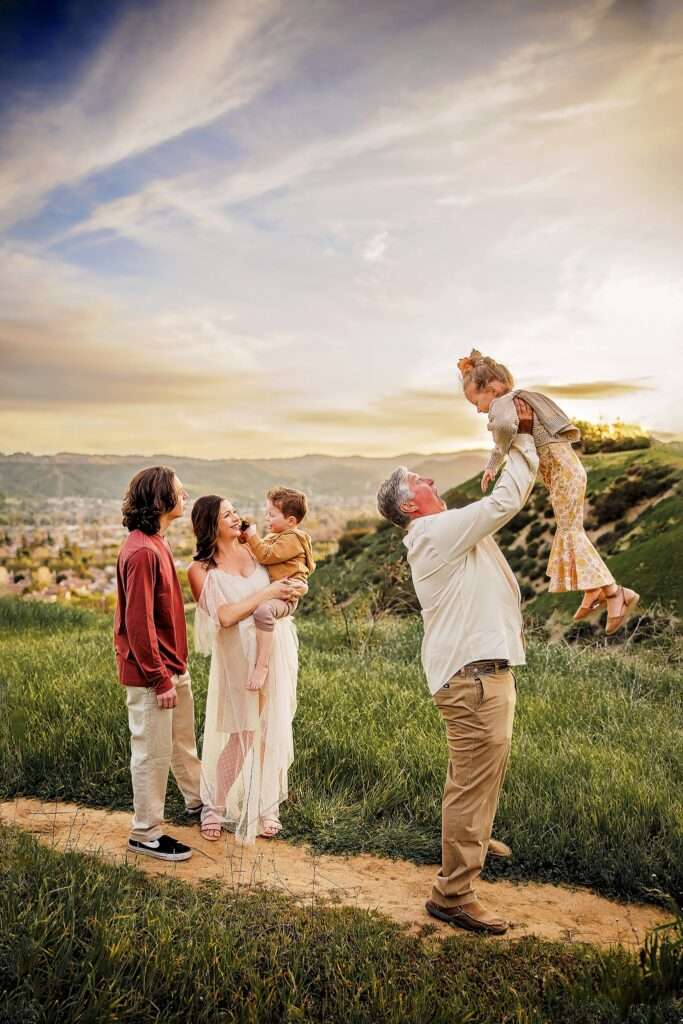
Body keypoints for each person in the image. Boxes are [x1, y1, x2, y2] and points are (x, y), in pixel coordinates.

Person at [376, 399, 537, 935]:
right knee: (470, 785)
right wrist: (524, 440)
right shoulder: (430, 533)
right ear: (410, 505)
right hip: (473, 680)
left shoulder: (440, 531)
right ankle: (453, 893)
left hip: (480, 675)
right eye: (417, 479)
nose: (428, 478)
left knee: (476, 781)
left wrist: (500, 452)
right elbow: (506, 500)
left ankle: (471, 835)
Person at [458, 349, 639, 633]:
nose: (478, 409)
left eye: (476, 401)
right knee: (570, 530)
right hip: (567, 472)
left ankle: (616, 593)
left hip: (562, 473)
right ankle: (592, 590)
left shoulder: (503, 403)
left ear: (491, 389)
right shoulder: (519, 398)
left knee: (570, 533)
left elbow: (504, 427)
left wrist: (497, 455)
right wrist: (497, 461)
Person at [188, 495, 303, 843]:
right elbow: (224, 616)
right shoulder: (200, 571)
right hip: (237, 657)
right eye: (227, 515)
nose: (237, 518)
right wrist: (266, 592)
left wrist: (292, 588)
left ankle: (268, 806)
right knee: (242, 733)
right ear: (211, 525)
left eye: (235, 511)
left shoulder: (257, 550)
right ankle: (216, 805)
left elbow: (288, 584)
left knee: (271, 729)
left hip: (273, 648)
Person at [114, 466, 202, 862]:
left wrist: (174, 670)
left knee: (182, 741)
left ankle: (199, 805)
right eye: (180, 492)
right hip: (155, 674)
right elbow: (138, 623)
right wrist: (159, 678)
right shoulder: (142, 551)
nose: (185, 496)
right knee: (151, 751)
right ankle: (145, 833)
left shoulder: (155, 542)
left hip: (171, 667)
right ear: (160, 500)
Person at [240, 487, 315, 690]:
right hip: (277, 592)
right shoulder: (277, 536)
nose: (267, 518)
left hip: (286, 596)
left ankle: (262, 665)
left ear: (291, 520)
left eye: (272, 515)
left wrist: (253, 536)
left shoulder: (292, 538)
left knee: (263, 611)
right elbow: (256, 552)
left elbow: (265, 555)